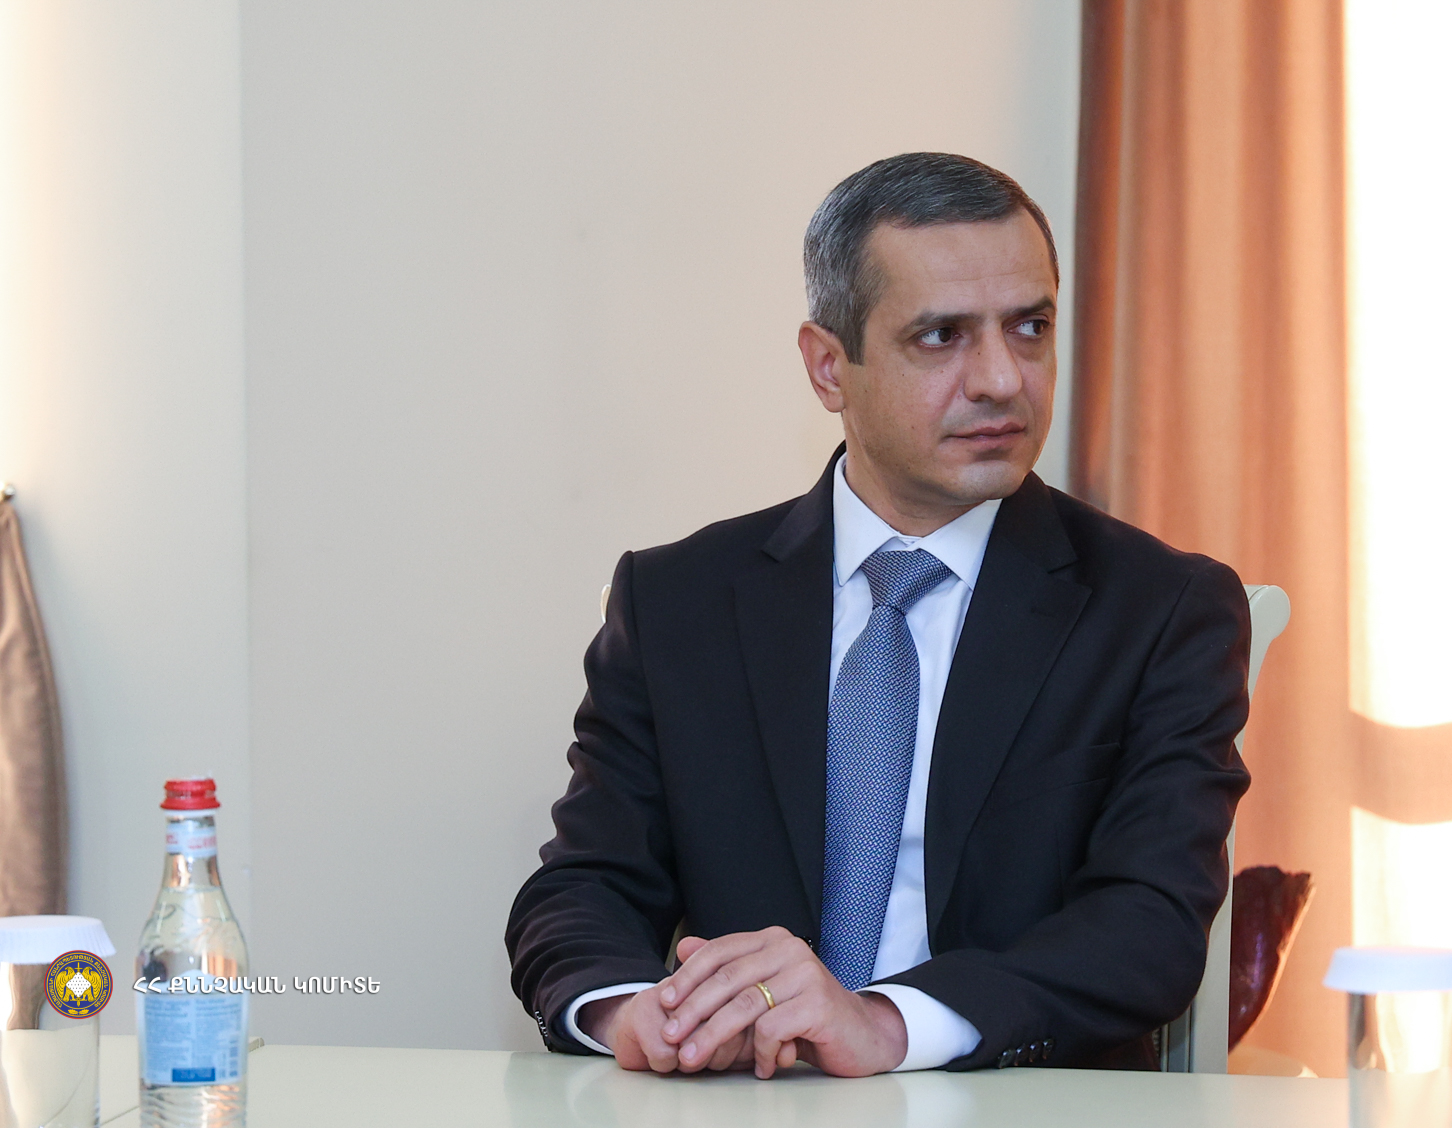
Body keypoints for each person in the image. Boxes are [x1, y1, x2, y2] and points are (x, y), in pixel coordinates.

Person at [506, 152, 1250, 1079]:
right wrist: (640, 1015)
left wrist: (888, 1025)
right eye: (941, 336)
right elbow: (584, 888)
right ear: (829, 368)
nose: (1002, 379)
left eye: (1030, 327)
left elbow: (1148, 925)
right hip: (751, 1099)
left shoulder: (1161, 609)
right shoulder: (676, 602)